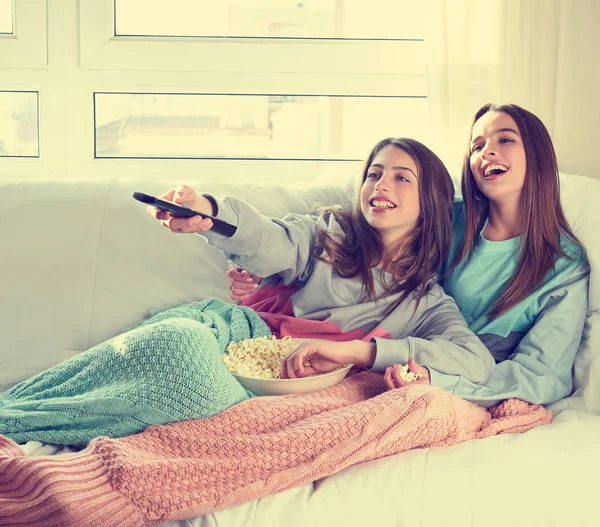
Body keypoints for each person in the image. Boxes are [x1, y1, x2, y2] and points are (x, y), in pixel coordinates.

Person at [0, 137, 494, 447]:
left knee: (199, 393)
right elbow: (269, 241)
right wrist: (209, 213)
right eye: (374, 172)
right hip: (233, 334)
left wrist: (361, 352)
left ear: (429, 203)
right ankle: (12, 415)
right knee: (180, 346)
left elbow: (476, 362)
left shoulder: (426, 304)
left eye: (400, 177)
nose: (380, 183)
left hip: (263, 387)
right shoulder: (327, 235)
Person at [228, 104, 590, 407]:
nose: (486, 151)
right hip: (379, 357)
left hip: (458, 380)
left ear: (539, 156)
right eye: (477, 145)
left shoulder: (564, 269)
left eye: (504, 140)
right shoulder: (443, 216)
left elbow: (543, 376)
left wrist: (437, 381)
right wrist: (271, 273)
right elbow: (355, 237)